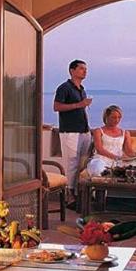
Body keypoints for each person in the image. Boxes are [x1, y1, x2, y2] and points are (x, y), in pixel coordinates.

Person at [52, 59, 93, 202]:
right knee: (72, 164)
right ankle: (69, 196)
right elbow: (56, 107)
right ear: (72, 70)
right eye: (81, 68)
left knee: (83, 163)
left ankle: (77, 192)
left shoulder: (82, 89)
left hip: (84, 131)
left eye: (85, 69)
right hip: (70, 131)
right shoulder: (64, 88)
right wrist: (79, 104)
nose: (85, 71)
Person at [86, 105, 136, 178]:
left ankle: (120, 174)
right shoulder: (98, 131)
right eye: (113, 117)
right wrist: (116, 157)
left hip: (118, 162)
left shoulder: (125, 133)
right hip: (102, 160)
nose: (117, 120)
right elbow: (99, 150)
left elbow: (129, 152)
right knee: (98, 168)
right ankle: (108, 175)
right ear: (106, 117)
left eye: (119, 117)